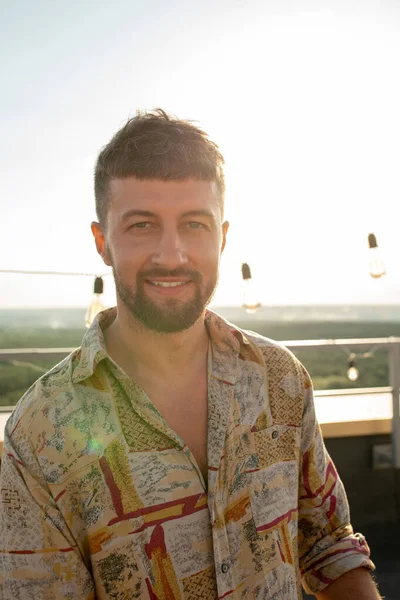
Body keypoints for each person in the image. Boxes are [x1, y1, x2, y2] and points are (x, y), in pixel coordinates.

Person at [0, 109, 381, 600]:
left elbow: (328, 546)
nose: (172, 255)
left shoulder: (280, 379)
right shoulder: (39, 433)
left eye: (194, 225)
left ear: (222, 237)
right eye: (142, 225)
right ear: (102, 242)